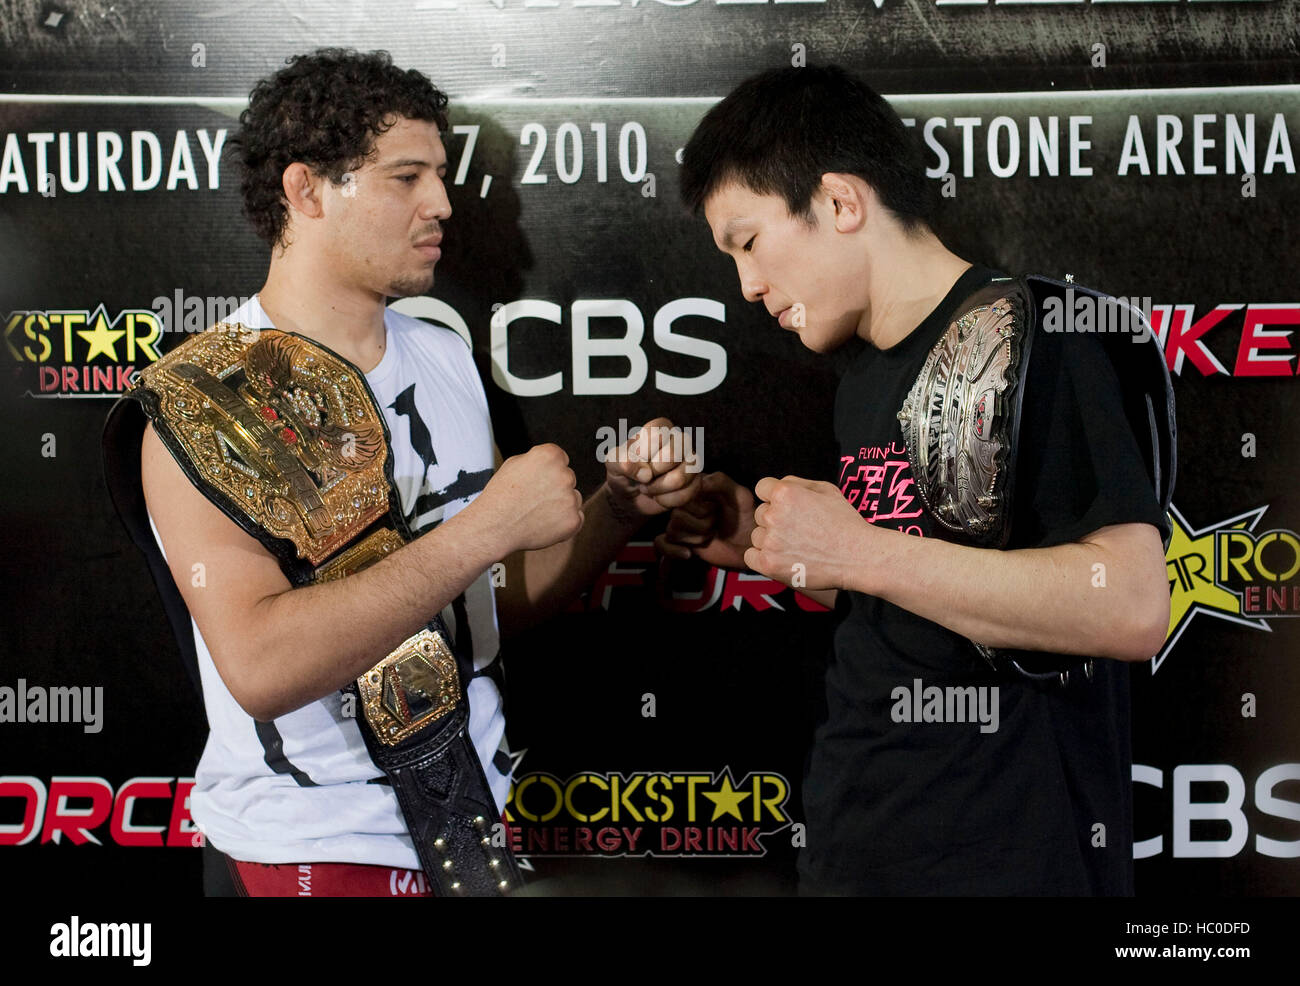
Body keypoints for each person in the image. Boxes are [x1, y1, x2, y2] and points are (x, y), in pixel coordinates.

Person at [102, 48, 699, 897]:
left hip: (474, 833)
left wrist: (616, 509)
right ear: (306, 191)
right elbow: (263, 668)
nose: (443, 205)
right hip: (308, 852)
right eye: (405, 177)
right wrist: (485, 530)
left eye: (441, 176)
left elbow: (482, 614)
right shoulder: (205, 399)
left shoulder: (446, 355)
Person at [665, 64, 1174, 895]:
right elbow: (941, 603)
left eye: (748, 243)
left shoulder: (1038, 337)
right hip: (862, 846)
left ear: (839, 203)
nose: (749, 287)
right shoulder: (865, 371)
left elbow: (1128, 606)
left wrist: (857, 552)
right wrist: (783, 555)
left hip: (1004, 858)